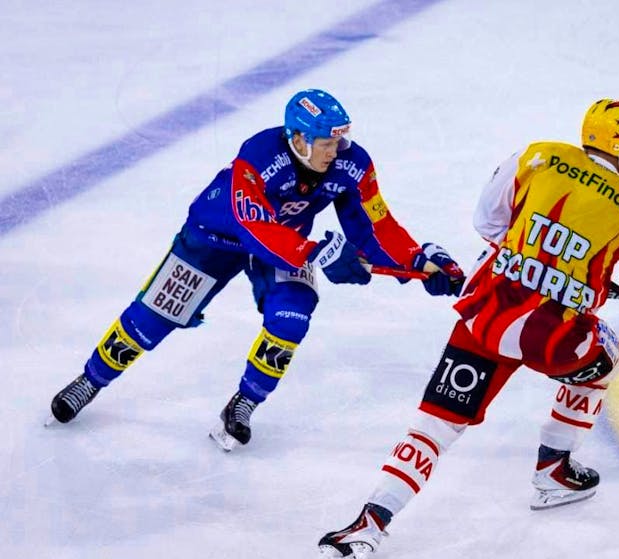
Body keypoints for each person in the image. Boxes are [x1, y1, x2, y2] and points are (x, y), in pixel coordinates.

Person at [316, 99, 619, 558]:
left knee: (436, 425)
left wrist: (532, 259)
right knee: (606, 358)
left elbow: (488, 222)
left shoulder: (538, 157)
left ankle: (368, 524)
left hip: (486, 314)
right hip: (556, 337)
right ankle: (554, 469)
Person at [47, 89, 466, 451]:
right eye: (325, 142)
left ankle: (244, 402)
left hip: (288, 247)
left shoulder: (351, 163)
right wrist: (316, 252)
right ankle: (91, 380)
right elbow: (256, 227)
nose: (335, 151)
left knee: (292, 317)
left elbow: (375, 224)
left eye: (341, 140)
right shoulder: (258, 156)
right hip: (215, 237)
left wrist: (417, 259)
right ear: (298, 139)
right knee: (154, 317)